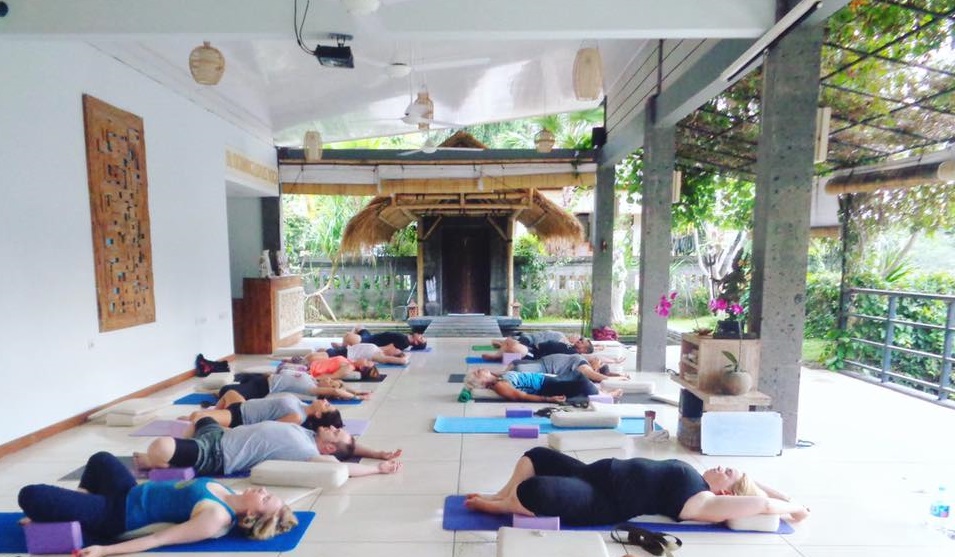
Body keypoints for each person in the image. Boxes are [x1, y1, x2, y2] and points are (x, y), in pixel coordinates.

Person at [18, 451, 297, 557]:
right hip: (129, 492)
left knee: (30, 495)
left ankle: (74, 514)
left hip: (115, 517)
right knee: (101, 459)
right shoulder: (226, 491)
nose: (262, 489)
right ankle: (79, 506)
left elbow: (157, 539)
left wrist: (104, 551)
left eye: (265, 497)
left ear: (250, 514)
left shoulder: (215, 517)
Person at [464, 447, 811, 526]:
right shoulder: (701, 478)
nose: (721, 467)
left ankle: (505, 504)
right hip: (592, 473)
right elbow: (759, 491)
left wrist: (794, 509)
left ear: (726, 494)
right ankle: (500, 494)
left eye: (729, 472)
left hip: (600, 500)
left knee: (535, 490)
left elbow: (762, 505)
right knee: (536, 453)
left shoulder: (704, 502)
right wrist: (788, 494)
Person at [135, 419, 402, 478]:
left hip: (216, 455)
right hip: (219, 435)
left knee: (160, 445)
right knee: (200, 419)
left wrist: (377, 468)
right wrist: (378, 452)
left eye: (335, 431)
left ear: (330, 446)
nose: (332, 426)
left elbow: (342, 467)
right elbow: (350, 446)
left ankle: (160, 463)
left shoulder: (306, 452)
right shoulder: (309, 433)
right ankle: (171, 462)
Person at [185, 392, 402, 461]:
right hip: (242, 404)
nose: (325, 400)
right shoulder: (302, 407)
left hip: (239, 418)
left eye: (326, 405)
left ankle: (206, 418)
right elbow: (346, 443)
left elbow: (266, 426)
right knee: (229, 393)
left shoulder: (297, 421)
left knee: (197, 416)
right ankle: (212, 412)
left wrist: (377, 456)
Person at [463, 366, 620, 403]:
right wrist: (548, 399)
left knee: (577, 376)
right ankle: (605, 397)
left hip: (547, 380)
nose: (480, 369)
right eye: (478, 373)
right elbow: (521, 396)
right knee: (581, 382)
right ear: (481, 382)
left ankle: (602, 394)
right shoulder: (499, 386)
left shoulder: (498, 378)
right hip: (546, 387)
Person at [217, 367, 371, 402]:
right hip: (262, 377)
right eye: (331, 380)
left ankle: (215, 393)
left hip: (261, 387)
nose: (329, 379)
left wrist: (356, 398)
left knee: (225, 390)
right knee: (239, 376)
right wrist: (356, 392)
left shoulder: (312, 389)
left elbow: (337, 392)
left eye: (330, 383)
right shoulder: (311, 378)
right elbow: (340, 386)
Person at [482, 331, 594, 362]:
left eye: (581, 341)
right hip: (534, 349)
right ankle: (502, 356)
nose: (579, 340)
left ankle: (496, 357)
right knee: (510, 342)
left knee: (512, 345)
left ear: (584, 349)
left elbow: (591, 360)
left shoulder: (575, 355)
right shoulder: (569, 345)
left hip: (536, 355)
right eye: (580, 339)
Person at [334, 326, 427, 352]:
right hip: (370, 337)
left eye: (421, 338)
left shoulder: (403, 342)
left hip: (366, 341)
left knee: (348, 335)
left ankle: (344, 347)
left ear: (416, 342)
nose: (420, 335)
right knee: (359, 326)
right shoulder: (405, 338)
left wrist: (363, 349)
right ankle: (344, 345)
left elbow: (387, 348)